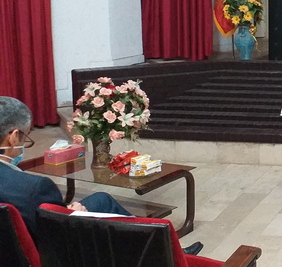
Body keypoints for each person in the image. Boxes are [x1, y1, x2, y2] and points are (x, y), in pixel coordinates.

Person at [0, 97, 203, 255]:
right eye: (26, 136)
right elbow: (56, 235)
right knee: (109, 219)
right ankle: (167, 255)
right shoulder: (34, 188)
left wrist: (63, 210)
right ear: (14, 137)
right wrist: (68, 214)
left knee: (102, 200)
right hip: (52, 258)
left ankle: (166, 249)